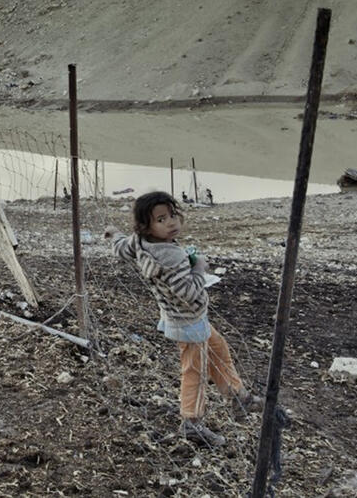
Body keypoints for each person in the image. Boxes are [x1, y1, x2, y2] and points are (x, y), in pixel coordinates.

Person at [106, 190, 262, 447]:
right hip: (189, 321)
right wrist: (198, 268)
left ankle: (238, 397)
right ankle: (192, 423)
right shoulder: (173, 257)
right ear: (146, 226)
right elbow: (191, 295)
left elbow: (122, 249)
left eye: (173, 215)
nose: (171, 222)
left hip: (177, 317)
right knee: (194, 372)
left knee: (218, 347)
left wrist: (113, 234)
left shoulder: (139, 242)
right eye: (161, 219)